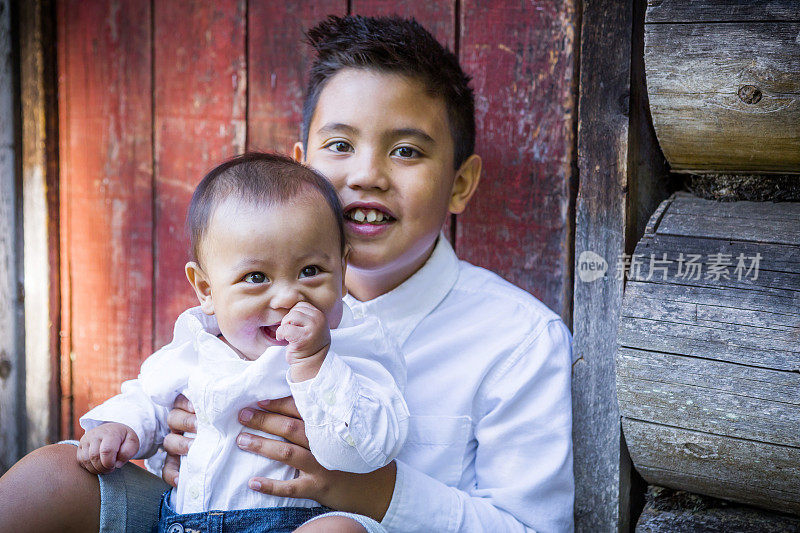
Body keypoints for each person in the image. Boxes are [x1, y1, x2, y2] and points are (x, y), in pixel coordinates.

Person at [0, 14, 573, 533]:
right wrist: (159, 440)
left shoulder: (518, 341)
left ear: (461, 183)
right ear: (303, 168)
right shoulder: (242, 303)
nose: (368, 174)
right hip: (196, 518)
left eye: (406, 151)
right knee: (48, 478)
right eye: (341, 144)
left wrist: (372, 492)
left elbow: (532, 528)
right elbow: (168, 406)